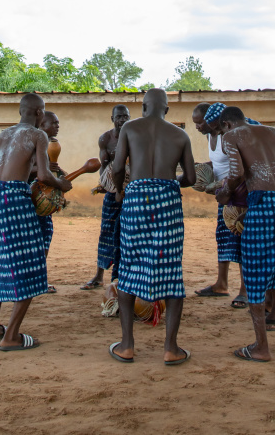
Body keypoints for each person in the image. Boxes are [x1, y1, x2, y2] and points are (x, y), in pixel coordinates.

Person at [110, 89, 196, 365]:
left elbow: (117, 166)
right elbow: (191, 178)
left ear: (144, 107)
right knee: (171, 268)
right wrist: (168, 183)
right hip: (168, 203)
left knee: (129, 267)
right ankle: (171, 348)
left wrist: (123, 190)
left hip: (135, 199)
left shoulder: (130, 127)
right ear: (167, 110)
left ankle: (127, 346)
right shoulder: (181, 135)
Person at [0, 94, 72, 351]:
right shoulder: (38, 135)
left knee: (1, 261)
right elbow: (43, 174)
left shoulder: (3, 134)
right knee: (33, 263)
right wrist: (60, 184)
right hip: (14, 197)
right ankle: (11, 337)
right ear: (40, 113)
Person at [219, 106, 275, 361]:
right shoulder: (272, 131)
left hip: (262, 205)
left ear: (226, 125)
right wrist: (274, 174)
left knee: (255, 273)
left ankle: (261, 347)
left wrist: (225, 192)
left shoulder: (232, 136)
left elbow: (235, 174)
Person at [192, 102, 248, 309]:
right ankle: (221, 284)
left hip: (238, 193)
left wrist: (223, 186)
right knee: (223, 238)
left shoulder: (230, 134)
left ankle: (245, 290)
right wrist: (197, 169)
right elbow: (217, 164)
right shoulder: (210, 136)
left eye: (200, 123)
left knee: (241, 239)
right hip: (223, 194)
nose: (197, 127)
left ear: (213, 120)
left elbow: (240, 168)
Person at [81, 105, 130, 290]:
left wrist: (124, 189)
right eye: (119, 116)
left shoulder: (134, 135)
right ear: (112, 118)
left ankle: (124, 276)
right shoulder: (106, 139)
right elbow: (104, 165)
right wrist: (106, 184)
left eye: (125, 116)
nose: (122, 119)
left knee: (129, 233)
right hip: (112, 193)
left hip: (131, 191)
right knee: (107, 231)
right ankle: (100, 275)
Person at [29, 110, 65, 294]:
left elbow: (50, 170)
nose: (57, 126)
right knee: (35, 242)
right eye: (54, 123)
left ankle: (40, 280)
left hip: (43, 205)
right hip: (32, 200)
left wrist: (60, 173)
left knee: (44, 240)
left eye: (58, 123)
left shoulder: (50, 145)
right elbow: (27, 168)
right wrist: (44, 170)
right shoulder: (36, 141)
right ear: (42, 125)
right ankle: (36, 281)